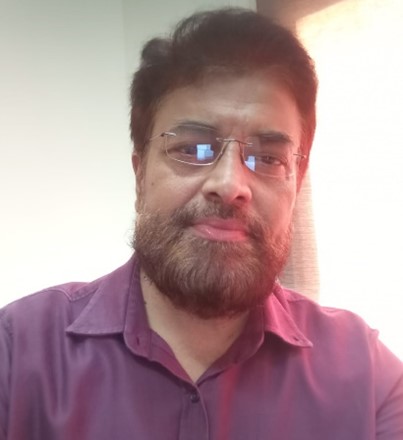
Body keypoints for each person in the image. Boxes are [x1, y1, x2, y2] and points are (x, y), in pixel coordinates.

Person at [1, 7, 402, 440]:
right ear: (140, 174)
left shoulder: (369, 378)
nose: (230, 185)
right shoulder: (16, 353)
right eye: (193, 149)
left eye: (267, 158)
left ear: (296, 184)